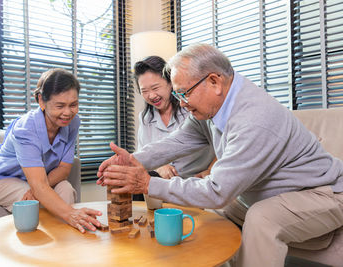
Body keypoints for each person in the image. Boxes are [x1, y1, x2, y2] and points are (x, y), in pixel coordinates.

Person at [97, 43, 343, 266]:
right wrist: (134, 160)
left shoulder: (254, 119)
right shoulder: (213, 109)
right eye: (178, 95)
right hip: (267, 194)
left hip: (321, 194)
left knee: (262, 219)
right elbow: (179, 140)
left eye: (184, 93)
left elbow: (217, 192)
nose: (181, 103)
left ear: (214, 81)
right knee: (209, 219)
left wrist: (147, 183)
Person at [0, 68, 102, 233]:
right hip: (0, 179)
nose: (68, 112)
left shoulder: (73, 122)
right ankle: (43, 250)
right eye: (60, 106)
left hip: (38, 179)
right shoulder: (25, 128)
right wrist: (67, 211)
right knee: (32, 202)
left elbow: (63, 169)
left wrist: (37, 189)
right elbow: (38, 185)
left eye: (73, 105)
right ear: (41, 101)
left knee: (65, 188)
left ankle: (67, 243)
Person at [134, 55, 215, 179]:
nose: (151, 95)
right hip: (163, 186)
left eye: (155, 88)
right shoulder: (145, 118)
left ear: (170, 83)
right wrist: (159, 166)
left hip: (196, 183)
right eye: (144, 91)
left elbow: (223, 144)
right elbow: (143, 154)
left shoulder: (192, 109)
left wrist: (210, 170)